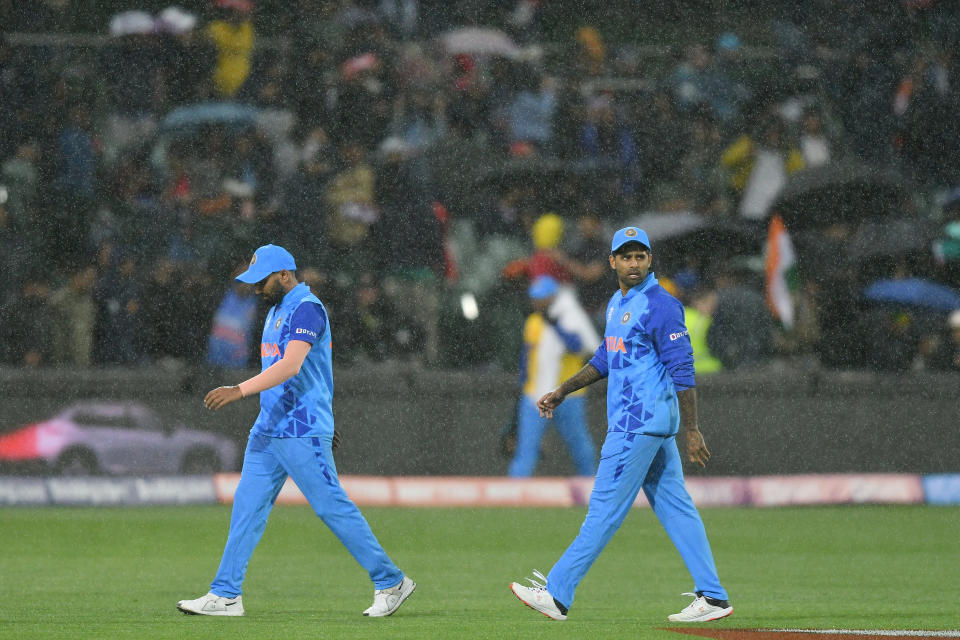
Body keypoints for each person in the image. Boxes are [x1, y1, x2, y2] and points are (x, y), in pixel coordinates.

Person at [177, 244, 415, 618]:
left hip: (301, 430)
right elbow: (310, 374)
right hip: (269, 429)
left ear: (285, 275)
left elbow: (291, 366)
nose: (255, 288)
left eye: (262, 280)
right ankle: (225, 595)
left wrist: (239, 390)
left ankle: (391, 582)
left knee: (331, 507)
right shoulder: (275, 310)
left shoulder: (307, 308)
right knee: (246, 508)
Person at [509, 227, 732, 623]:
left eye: (640, 256)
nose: (633, 263)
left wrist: (693, 429)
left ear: (650, 260)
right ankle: (713, 597)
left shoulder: (661, 305)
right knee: (676, 508)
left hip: (636, 425)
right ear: (612, 261)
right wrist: (563, 389)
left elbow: (683, 367)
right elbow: (606, 360)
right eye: (626, 256)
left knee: (603, 512)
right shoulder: (617, 302)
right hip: (649, 426)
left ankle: (557, 594)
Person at [509, 275, 600, 477]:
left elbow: (578, 347)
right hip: (535, 393)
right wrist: (522, 386)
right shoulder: (533, 322)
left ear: (552, 297)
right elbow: (527, 358)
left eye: (541, 297)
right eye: (534, 297)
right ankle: (514, 493)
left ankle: (592, 486)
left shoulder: (569, 317)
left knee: (579, 446)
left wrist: (556, 326)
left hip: (569, 395)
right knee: (526, 448)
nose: (536, 302)